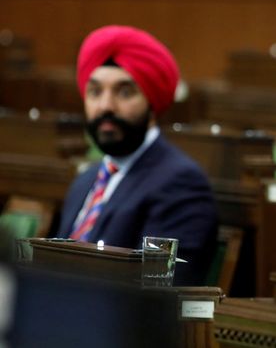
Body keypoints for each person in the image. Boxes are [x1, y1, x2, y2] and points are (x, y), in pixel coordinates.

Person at [54, 25, 218, 285]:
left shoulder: (180, 184)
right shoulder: (85, 181)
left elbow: (158, 293)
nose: (106, 105)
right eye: (95, 91)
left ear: (152, 103)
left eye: (125, 92)